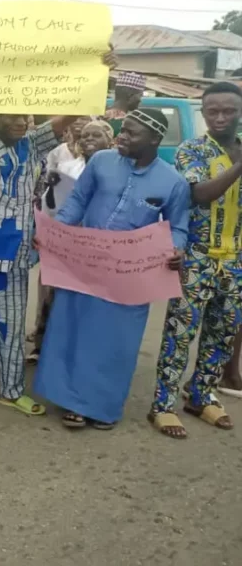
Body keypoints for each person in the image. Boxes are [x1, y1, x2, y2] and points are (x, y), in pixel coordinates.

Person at [0, 36, 118, 417]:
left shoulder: (32, 144)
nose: (22, 122)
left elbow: (70, 114)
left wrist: (99, 72)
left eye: (26, 116)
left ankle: (12, 389)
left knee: (11, 327)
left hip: (17, 256)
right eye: (13, 116)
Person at [34, 110, 189, 430]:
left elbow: (179, 228)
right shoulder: (102, 161)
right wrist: (56, 234)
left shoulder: (173, 181)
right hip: (85, 264)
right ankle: (72, 402)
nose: (122, 137)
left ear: (154, 141)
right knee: (73, 330)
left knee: (117, 342)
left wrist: (176, 249)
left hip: (131, 276)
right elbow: (77, 201)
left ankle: (103, 407)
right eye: (123, 130)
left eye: (132, 134)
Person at [151, 82, 242, 438]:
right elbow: (200, 194)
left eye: (229, 111)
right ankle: (162, 404)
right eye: (213, 111)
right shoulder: (192, 150)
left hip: (236, 259)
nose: (220, 118)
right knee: (180, 333)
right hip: (197, 258)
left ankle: (202, 395)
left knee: (221, 334)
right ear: (203, 114)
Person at [28, 120, 115, 362]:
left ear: (110, 140)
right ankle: (41, 345)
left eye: (96, 135)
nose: (88, 140)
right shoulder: (66, 167)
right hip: (62, 240)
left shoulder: (117, 171)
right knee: (50, 294)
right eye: (85, 135)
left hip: (95, 245)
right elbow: (51, 202)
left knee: (81, 300)